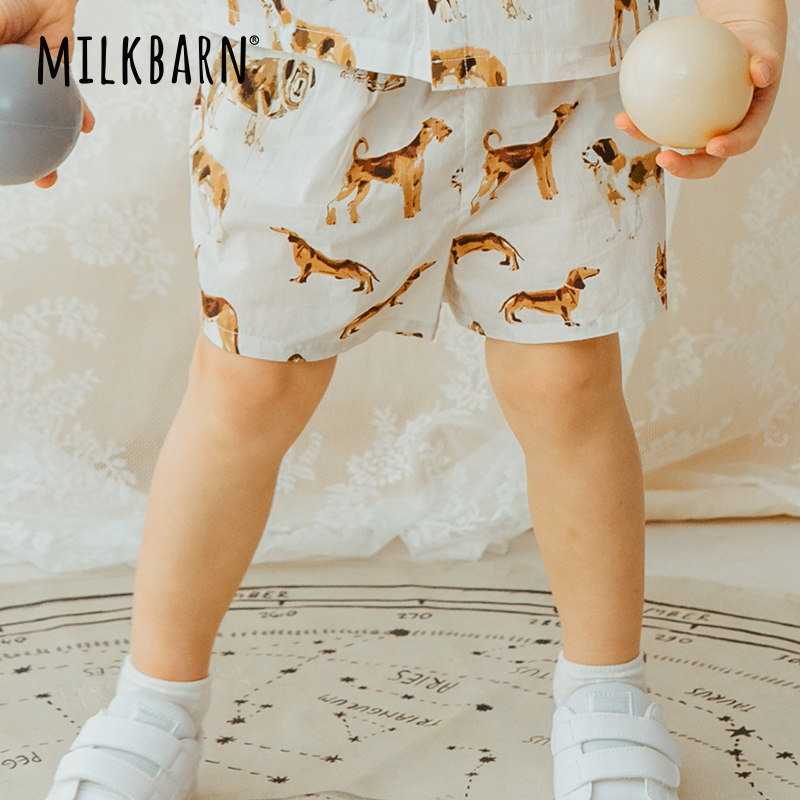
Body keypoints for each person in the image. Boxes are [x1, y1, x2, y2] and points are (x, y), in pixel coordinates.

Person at [1, 1, 785, 798]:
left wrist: (741, 16)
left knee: (567, 383)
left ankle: (606, 686)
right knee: (248, 384)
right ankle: (155, 698)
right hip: (306, 72)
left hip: (569, 65)